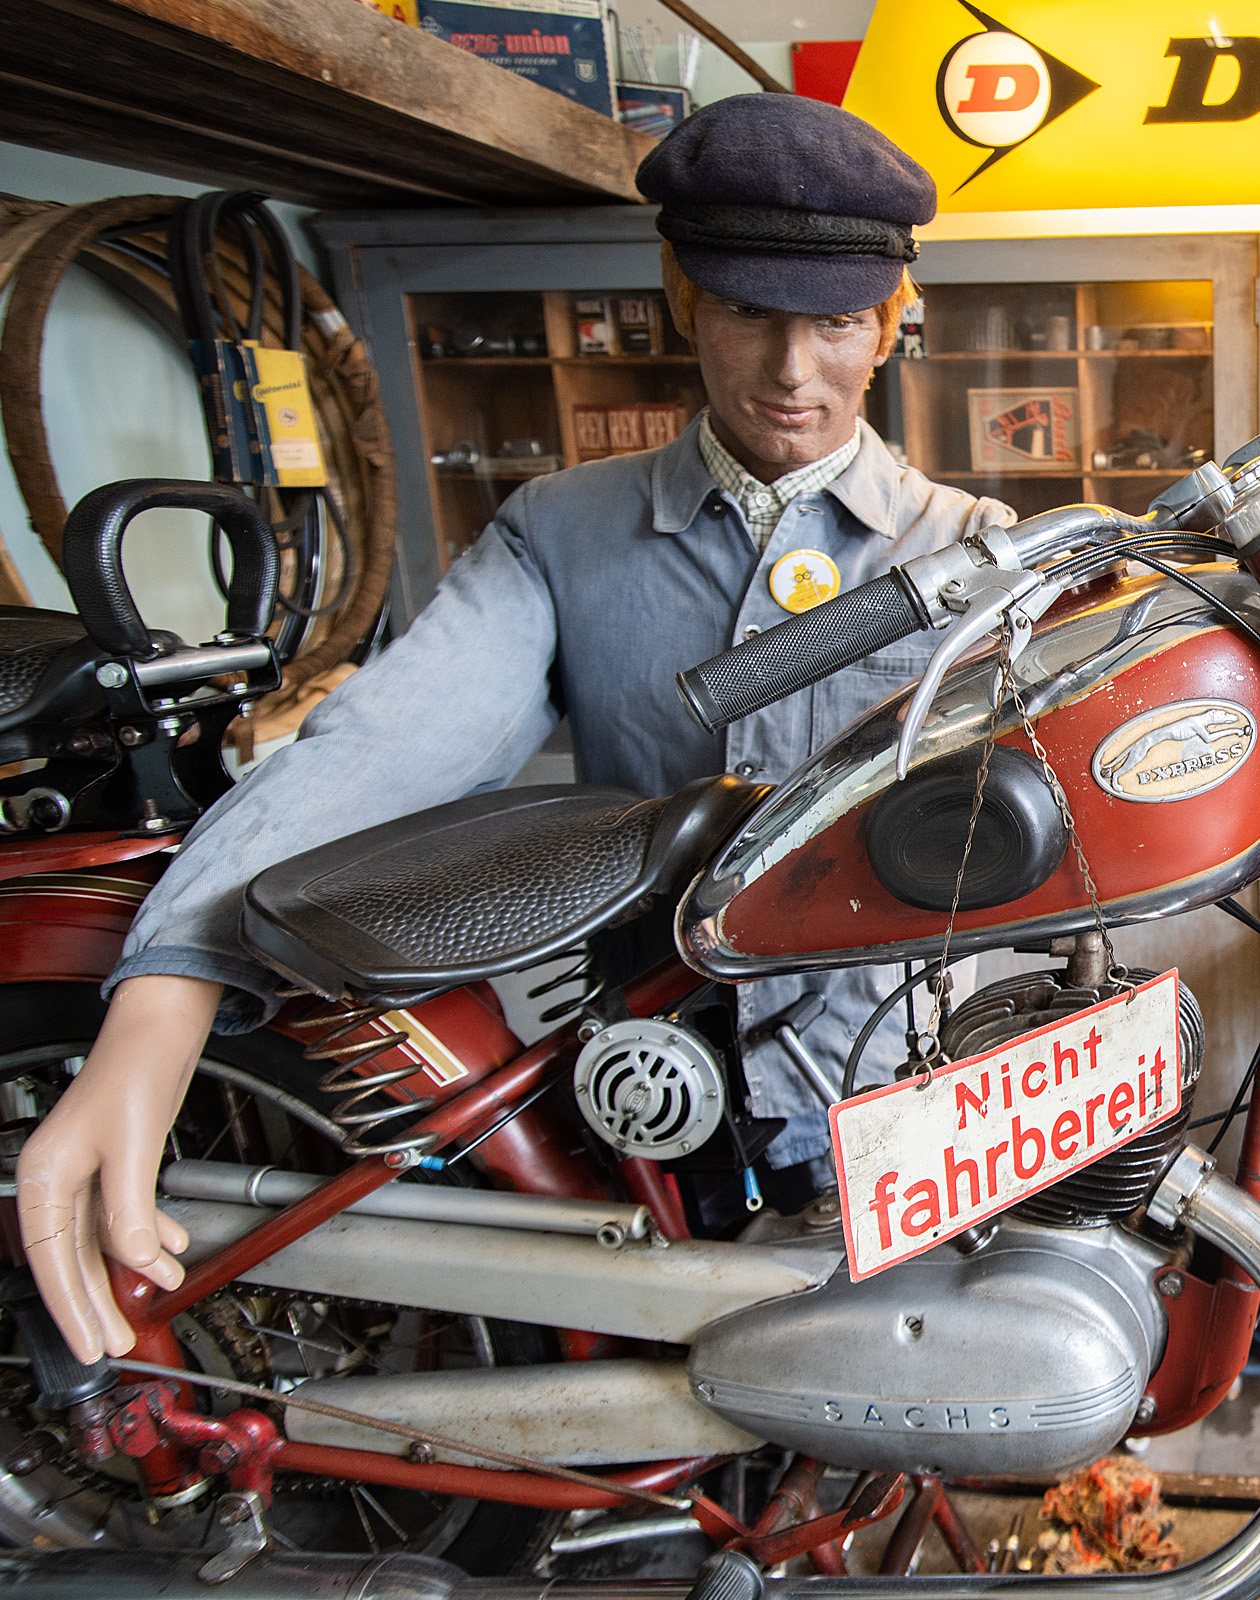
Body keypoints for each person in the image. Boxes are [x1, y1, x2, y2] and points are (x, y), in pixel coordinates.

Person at [15, 94, 1013, 1364]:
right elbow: (386, 749)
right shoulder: (563, 533)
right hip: (644, 1091)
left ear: (892, 318)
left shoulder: (979, 554)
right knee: (670, 1403)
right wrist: (168, 988)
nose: (792, 371)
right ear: (675, 291)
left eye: (837, 320)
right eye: (748, 310)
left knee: (903, 1400)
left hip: (896, 1097)